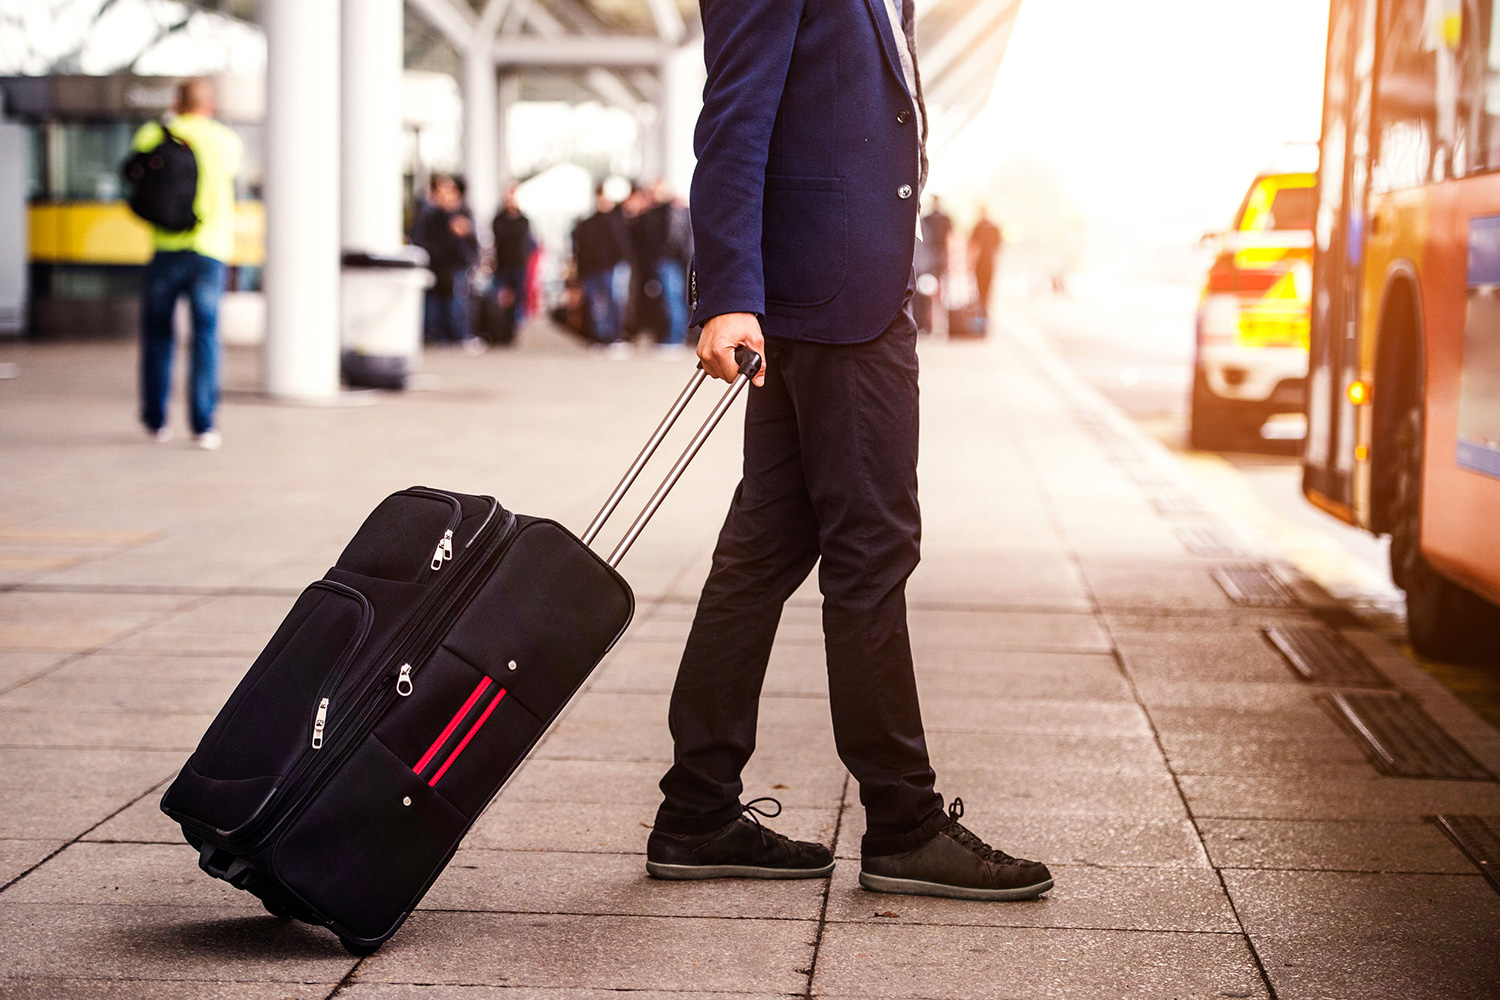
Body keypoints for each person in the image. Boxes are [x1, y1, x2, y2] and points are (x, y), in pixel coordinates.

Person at [647, 0, 1054, 903]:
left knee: (760, 555)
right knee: (872, 550)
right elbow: (734, 116)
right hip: (832, 305)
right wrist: (729, 295)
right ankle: (904, 824)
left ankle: (698, 809)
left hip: (831, 291)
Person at [132, 77, 242, 450]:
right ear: (210, 106)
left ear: (177, 102)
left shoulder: (155, 132)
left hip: (165, 248)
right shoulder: (225, 141)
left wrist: (169, 120)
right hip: (209, 250)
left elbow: (139, 167)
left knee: (158, 335)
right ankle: (203, 425)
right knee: (205, 337)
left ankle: (156, 420)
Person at [411, 174, 479, 347]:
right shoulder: (430, 213)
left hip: (455, 265)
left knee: (456, 303)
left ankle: (458, 336)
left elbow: (469, 242)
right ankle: (437, 335)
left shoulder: (462, 213)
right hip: (437, 265)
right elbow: (422, 236)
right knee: (436, 305)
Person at [572, 184, 629, 356]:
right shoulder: (588, 223)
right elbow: (580, 248)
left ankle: (614, 337)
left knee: (613, 302)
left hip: (609, 268)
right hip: (592, 269)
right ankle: (598, 337)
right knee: (595, 305)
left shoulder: (615, 220)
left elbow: (621, 245)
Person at [488, 184, 536, 344]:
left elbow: (520, 237)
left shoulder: (523, 220)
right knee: (500, 298)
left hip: (518, 265)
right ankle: (499, 330)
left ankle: (513, 330)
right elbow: (501, 236)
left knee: (517, 299)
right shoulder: (498, 219)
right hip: (502, 264)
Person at [969, 208, 1003, 317]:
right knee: (985, 288)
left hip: (982, 263)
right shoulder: (993, 228)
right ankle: (984, 311)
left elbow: (973, 247)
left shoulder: (978, 227)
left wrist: (971, 263)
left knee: (982, 288)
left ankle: (983, 311)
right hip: (988, 262)